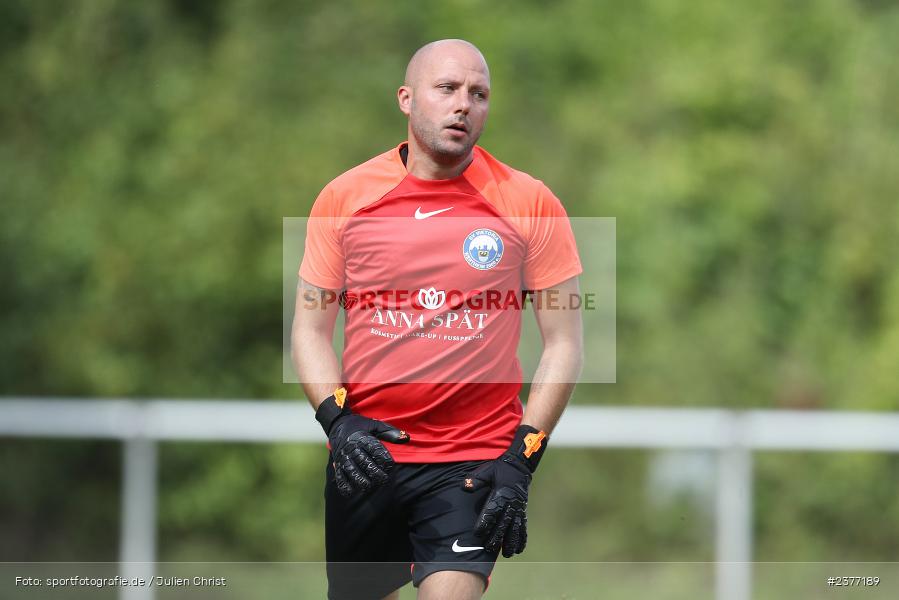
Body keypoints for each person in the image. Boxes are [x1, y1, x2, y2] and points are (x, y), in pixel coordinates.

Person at [291, 39, 583, 600]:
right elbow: (308, 331)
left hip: (472, 460)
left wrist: (523, 458)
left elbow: (564, 343)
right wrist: (338, 421)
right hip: (368, 456)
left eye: (479, 94)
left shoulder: (529, 201)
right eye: (447, 89)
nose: (463, 105)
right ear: (406, 98)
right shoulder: (345, 197)